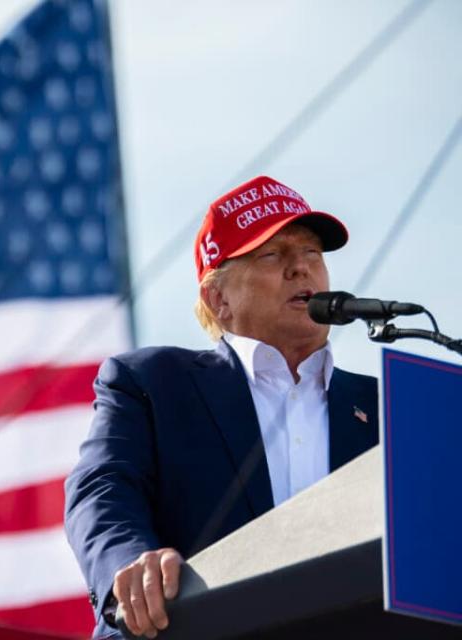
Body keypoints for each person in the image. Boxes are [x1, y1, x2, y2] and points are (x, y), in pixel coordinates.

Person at [64, 176, 379, 639]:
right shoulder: (152, 383)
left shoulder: (385, 406)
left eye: (312, 253)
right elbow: (102, 488)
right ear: (219, 299)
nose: (301, 269)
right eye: (272, 255)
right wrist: (129, 563)